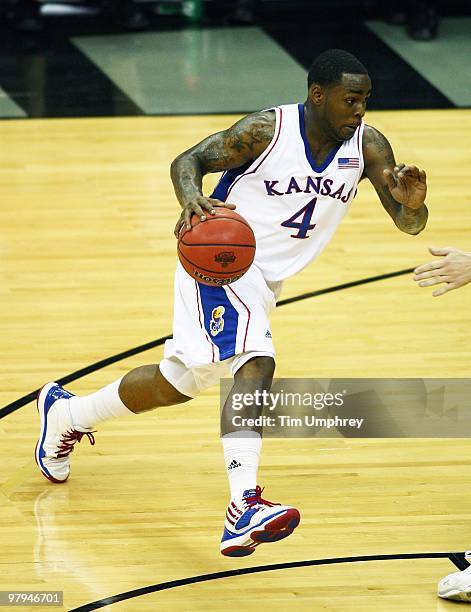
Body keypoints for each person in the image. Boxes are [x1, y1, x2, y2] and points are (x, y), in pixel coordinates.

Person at [35, 49, 428, 557]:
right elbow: (189, 161)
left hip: (265, 281)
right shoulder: (268, 131)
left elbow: (408, 223)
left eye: (365, 101)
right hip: (220, 261)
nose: (360, 111)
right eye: (351, 101)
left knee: (177, 383)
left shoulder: (368, 146)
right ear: (317, 95)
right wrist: (190, 199)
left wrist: (413, 205)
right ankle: (244, 505)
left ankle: (67, 414)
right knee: (257, 361)